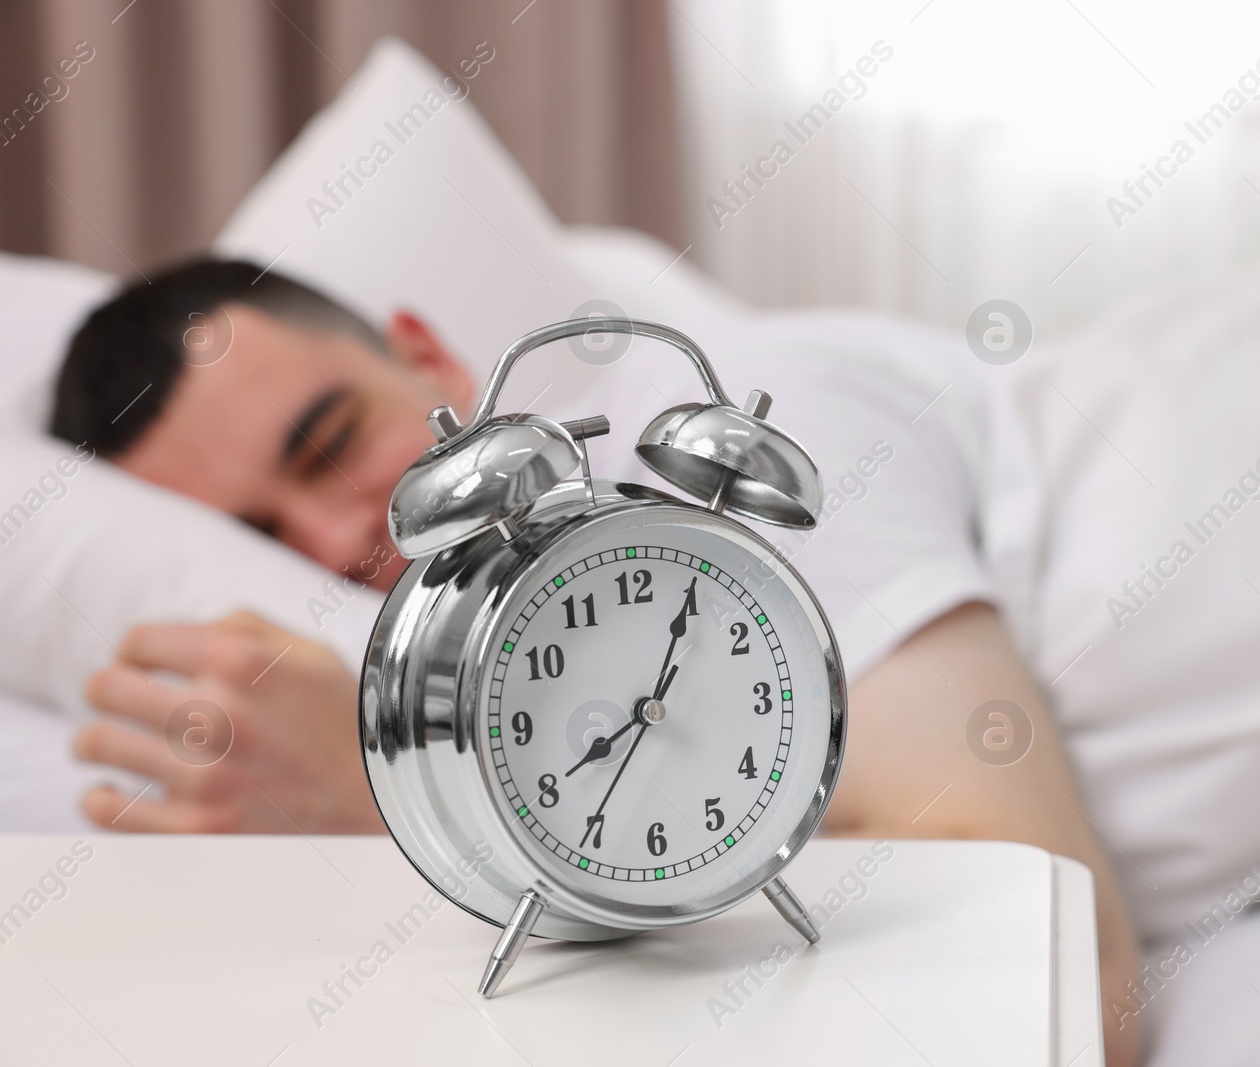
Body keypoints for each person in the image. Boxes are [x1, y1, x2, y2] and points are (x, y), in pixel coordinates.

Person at [50, 259, 1143, 1065]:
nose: (335, 541)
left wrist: (383, 811)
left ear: (425, 355)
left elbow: (1067, 982)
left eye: (332, 442)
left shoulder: (769, 406)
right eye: (259, 538)